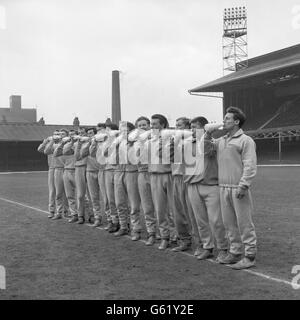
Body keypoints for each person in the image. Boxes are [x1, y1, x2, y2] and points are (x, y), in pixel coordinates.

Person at [206, 107, 257, 269]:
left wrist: (243, 185)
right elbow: (205, 150)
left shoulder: (245, 140)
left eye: (228, 118)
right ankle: (235, 253)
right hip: (223, 188)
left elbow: (250, 165)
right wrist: (207, 133)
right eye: (224, 118)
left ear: (236, 121)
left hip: (238, 188)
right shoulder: (221, 140)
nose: (224, 121)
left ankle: (250, 256)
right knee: (229, 223)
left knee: (244, 223)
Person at [185, 117, 228, 261]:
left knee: (216, 221)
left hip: (211, 185)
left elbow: (207, 150)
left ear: (205, 128)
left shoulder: (212, 142)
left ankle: (223, 248)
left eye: (195, 127)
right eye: (191, 127)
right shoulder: (187, 143)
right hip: (193, 186)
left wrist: (208, 135)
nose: (192, 129)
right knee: (200, 220)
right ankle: (207, 247)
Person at [147, 114, 177, 250]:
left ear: (163, 125)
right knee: (160, 209)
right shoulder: (148, 140)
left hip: (169, 175)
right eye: (151, 124)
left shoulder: (171, 138)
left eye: (155, 124)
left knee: (174, 209)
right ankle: (165, 236)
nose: (152, 126)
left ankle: (176, 236)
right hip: (154, 176)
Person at [112, 121, 142, 240]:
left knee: (134, 204)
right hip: (118, 172)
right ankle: (123, 226)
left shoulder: (136, 142)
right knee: (119, 202)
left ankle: (136, 229)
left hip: (132, 172)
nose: (124, 132)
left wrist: (130, 144)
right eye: (122, 130)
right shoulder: (117, 142)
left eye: (126, 130)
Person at [170, 117, 193, 252]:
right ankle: (184, 239)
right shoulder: (174, 139)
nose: (177, 128)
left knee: (192, 213)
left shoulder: (191, 140)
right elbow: (168, 157)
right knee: (178, 213)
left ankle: (203, 243)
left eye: (180, 126)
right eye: (176, 125)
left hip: (188, 178)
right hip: (176, 177)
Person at [133, 116, 157, 246]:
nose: (142, 127)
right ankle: (151, 232)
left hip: (156, 173)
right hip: (142, 173)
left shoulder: (156, 139)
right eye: (140, 125)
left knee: (162, 207)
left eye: (145, 125)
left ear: (149, 126)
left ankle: (170, 235)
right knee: (147, 206)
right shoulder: (135, 141)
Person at [80, 127, 103, 227]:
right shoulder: (86, 144)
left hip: (101, 171)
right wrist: (89, 143)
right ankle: (97, 217)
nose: (90, 135)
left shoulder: (102, 143)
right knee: (94, 197)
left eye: (91, 133)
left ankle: (112, 220)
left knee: (107, 198)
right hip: (90, 172)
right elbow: (81, 155)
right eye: (88, 133)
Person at [45, 129, 69, 220]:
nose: (59, 136)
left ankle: (66, 211)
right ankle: (52, 211)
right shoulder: (53, 144)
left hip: (65, 169)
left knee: (66, 192)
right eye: (57, 134)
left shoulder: (66, 143)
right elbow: (45, 150)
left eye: (61, 134)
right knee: (53, 191)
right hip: (54, 169)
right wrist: (50, 141)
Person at [54, 129, 78, 221]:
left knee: (82, 196)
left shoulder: (76, 144)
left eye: (63, 134)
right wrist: (62, 143)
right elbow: (56, 154)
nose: (61, 136)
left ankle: (88, 215)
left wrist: (72, 142)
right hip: (66, 170)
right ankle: (71, 213)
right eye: (60, 134)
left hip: (77, 171)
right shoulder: (63, 146)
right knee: (66, 195)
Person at [37, 130, 59, 218]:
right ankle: (52, 210)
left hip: (62, 169)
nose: (56, 136)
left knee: (62, 192)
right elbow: (40, 149)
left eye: (58, 134)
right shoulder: (50, 143)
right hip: (52, 169)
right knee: (52, 191)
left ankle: (64, 211)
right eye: (55, 134)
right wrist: (46, 141)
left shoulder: (64, 142)